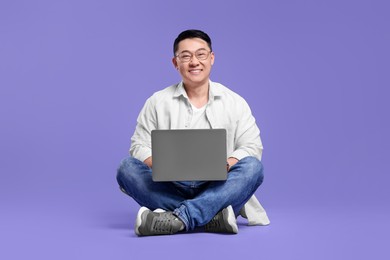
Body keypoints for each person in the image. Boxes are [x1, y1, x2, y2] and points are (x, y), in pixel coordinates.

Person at [117, 29, 266, 236]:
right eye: (185, 56)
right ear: (175, 63)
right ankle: (211, 216)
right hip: (170, 184)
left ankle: (179, 218)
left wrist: (226, 164)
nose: (194, 61)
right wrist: (161, 164)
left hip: (218, 184)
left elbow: (252, 146)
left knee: (253, 168)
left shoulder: (235, 102)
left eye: (201, 54)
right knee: (126, 168)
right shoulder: (157, 102)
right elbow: (138, 146)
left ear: (211, 58)